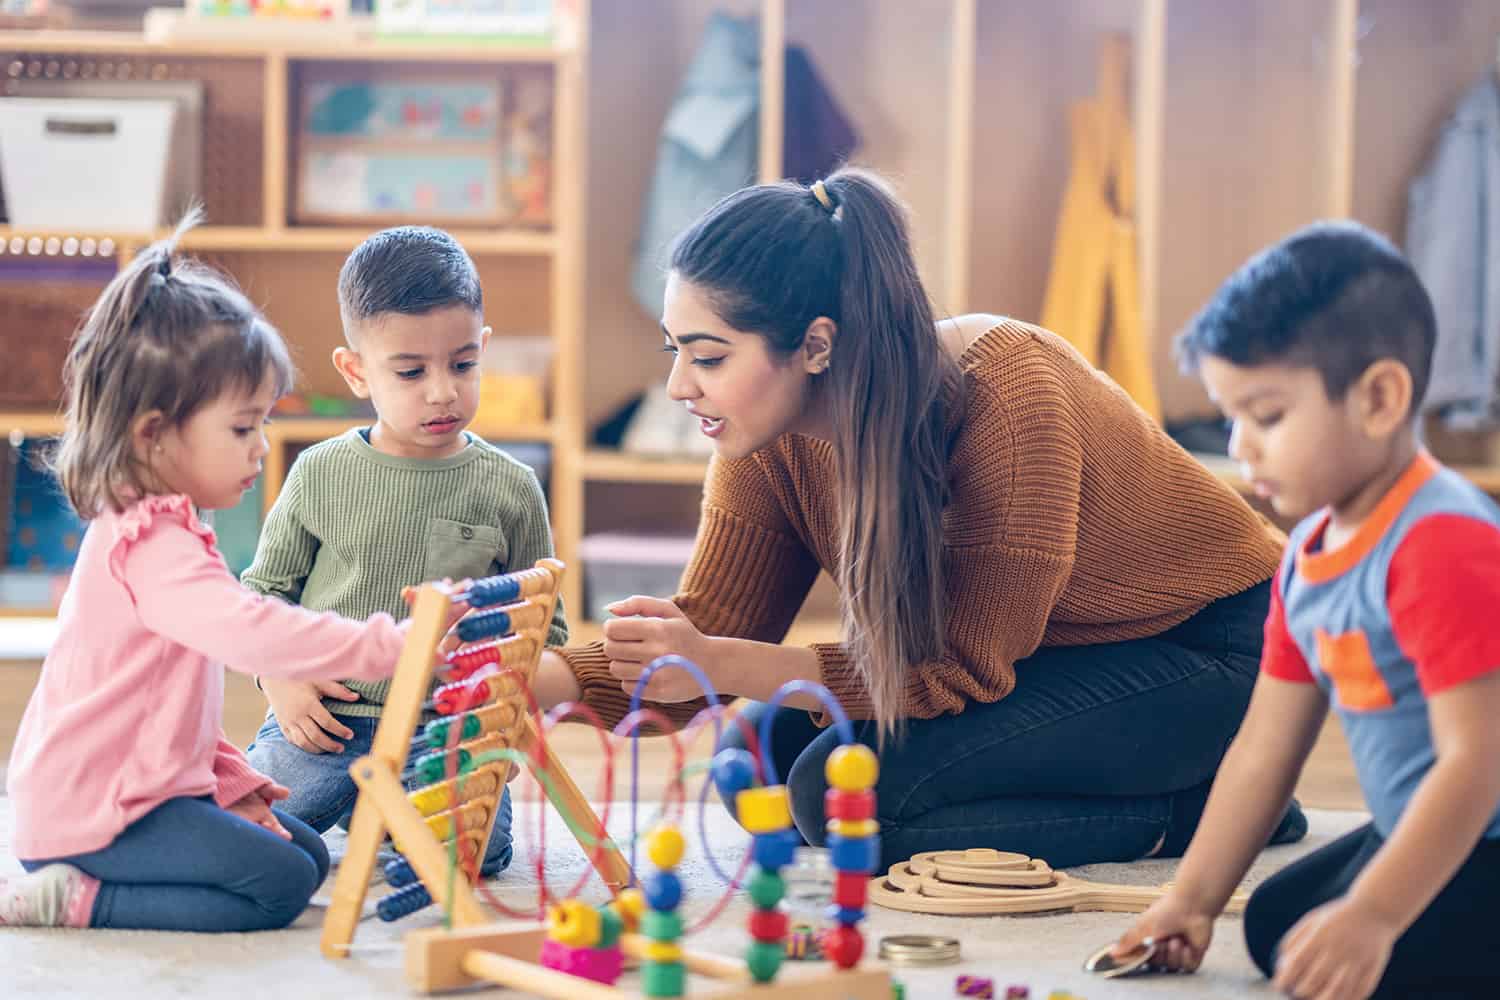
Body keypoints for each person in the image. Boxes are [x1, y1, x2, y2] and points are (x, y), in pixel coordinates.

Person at [526, 166, 1305, 870]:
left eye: (708, 356)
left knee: (853, 807)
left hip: (1218, 651)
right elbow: (708, 634)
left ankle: (1207, 810)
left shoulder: (1007, 397)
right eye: (675, 351)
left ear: (816, 346)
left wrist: (718, 661)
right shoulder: (766, 439)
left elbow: (954, 670)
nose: (677, 387)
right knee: (757, 762)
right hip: (1049, 652)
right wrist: (540, 679)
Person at [1111, 223, 1500, 999]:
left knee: (1369, 957)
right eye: (1232, 416)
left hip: (1484, 830)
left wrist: (1377, 914)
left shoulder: (1442, 542)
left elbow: (1477, 763)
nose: (1240, 446)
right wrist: (1190, 901)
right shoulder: (1309, 552)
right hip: (1420, 827)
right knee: (1279, 931)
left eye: (1267, 416)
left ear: (1380, 399)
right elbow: (1263, 748)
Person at [1, 216, 422, 931]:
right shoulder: (150, 545)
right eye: (241, 428)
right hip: (95, 815)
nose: (261, 447)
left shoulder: (165, 527)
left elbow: (166, 707)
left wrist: (231, 784)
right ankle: (75, 899)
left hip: (140, 791)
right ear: (154, 435)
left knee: (308, 856)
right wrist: (391, 646)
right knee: (281, 885)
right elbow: (252, 635)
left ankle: (107, 873)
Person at [242, 227, 566, 879]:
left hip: (444, 734)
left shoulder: (512, 487)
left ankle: (386, 814)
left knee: (471, 856)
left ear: (484, 351)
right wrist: (280, 679)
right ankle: (364, 804)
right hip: (327, 721)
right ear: (356, 370)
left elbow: (547, 630)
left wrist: (491, 699)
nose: (442, 391)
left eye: (463, 364)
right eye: (411, 371)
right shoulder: (318, 473)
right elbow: (259, 598)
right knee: (242, 834)